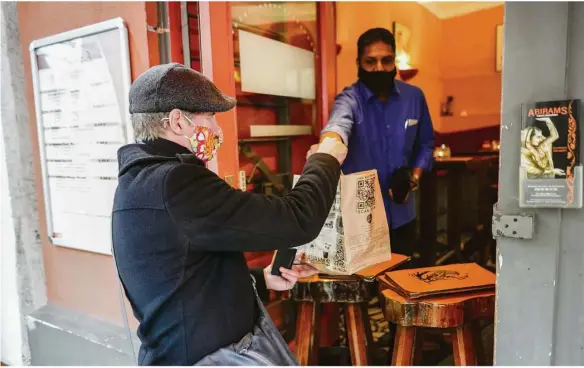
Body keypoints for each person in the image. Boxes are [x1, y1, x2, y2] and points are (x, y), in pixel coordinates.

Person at [112, 63, 347, 365]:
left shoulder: (140, 181)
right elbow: (298, 219)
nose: (216, 129)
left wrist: (262, 280)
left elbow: (182, 279)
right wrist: (325, 160)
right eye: (209, 117)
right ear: (177, 121)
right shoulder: (177, 183)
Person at [312, 28, 435, 257]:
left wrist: (413, 178)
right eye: (371, 61)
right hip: (361, 220)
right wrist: (327, 149)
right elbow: (337, 126)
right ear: (359, 63)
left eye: (386, 61)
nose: (379, 68)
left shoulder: (414, 97)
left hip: (402, 212)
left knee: (401, 281)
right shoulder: (349, 99)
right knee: (366, 287)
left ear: (394, 61)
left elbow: (426, 144)